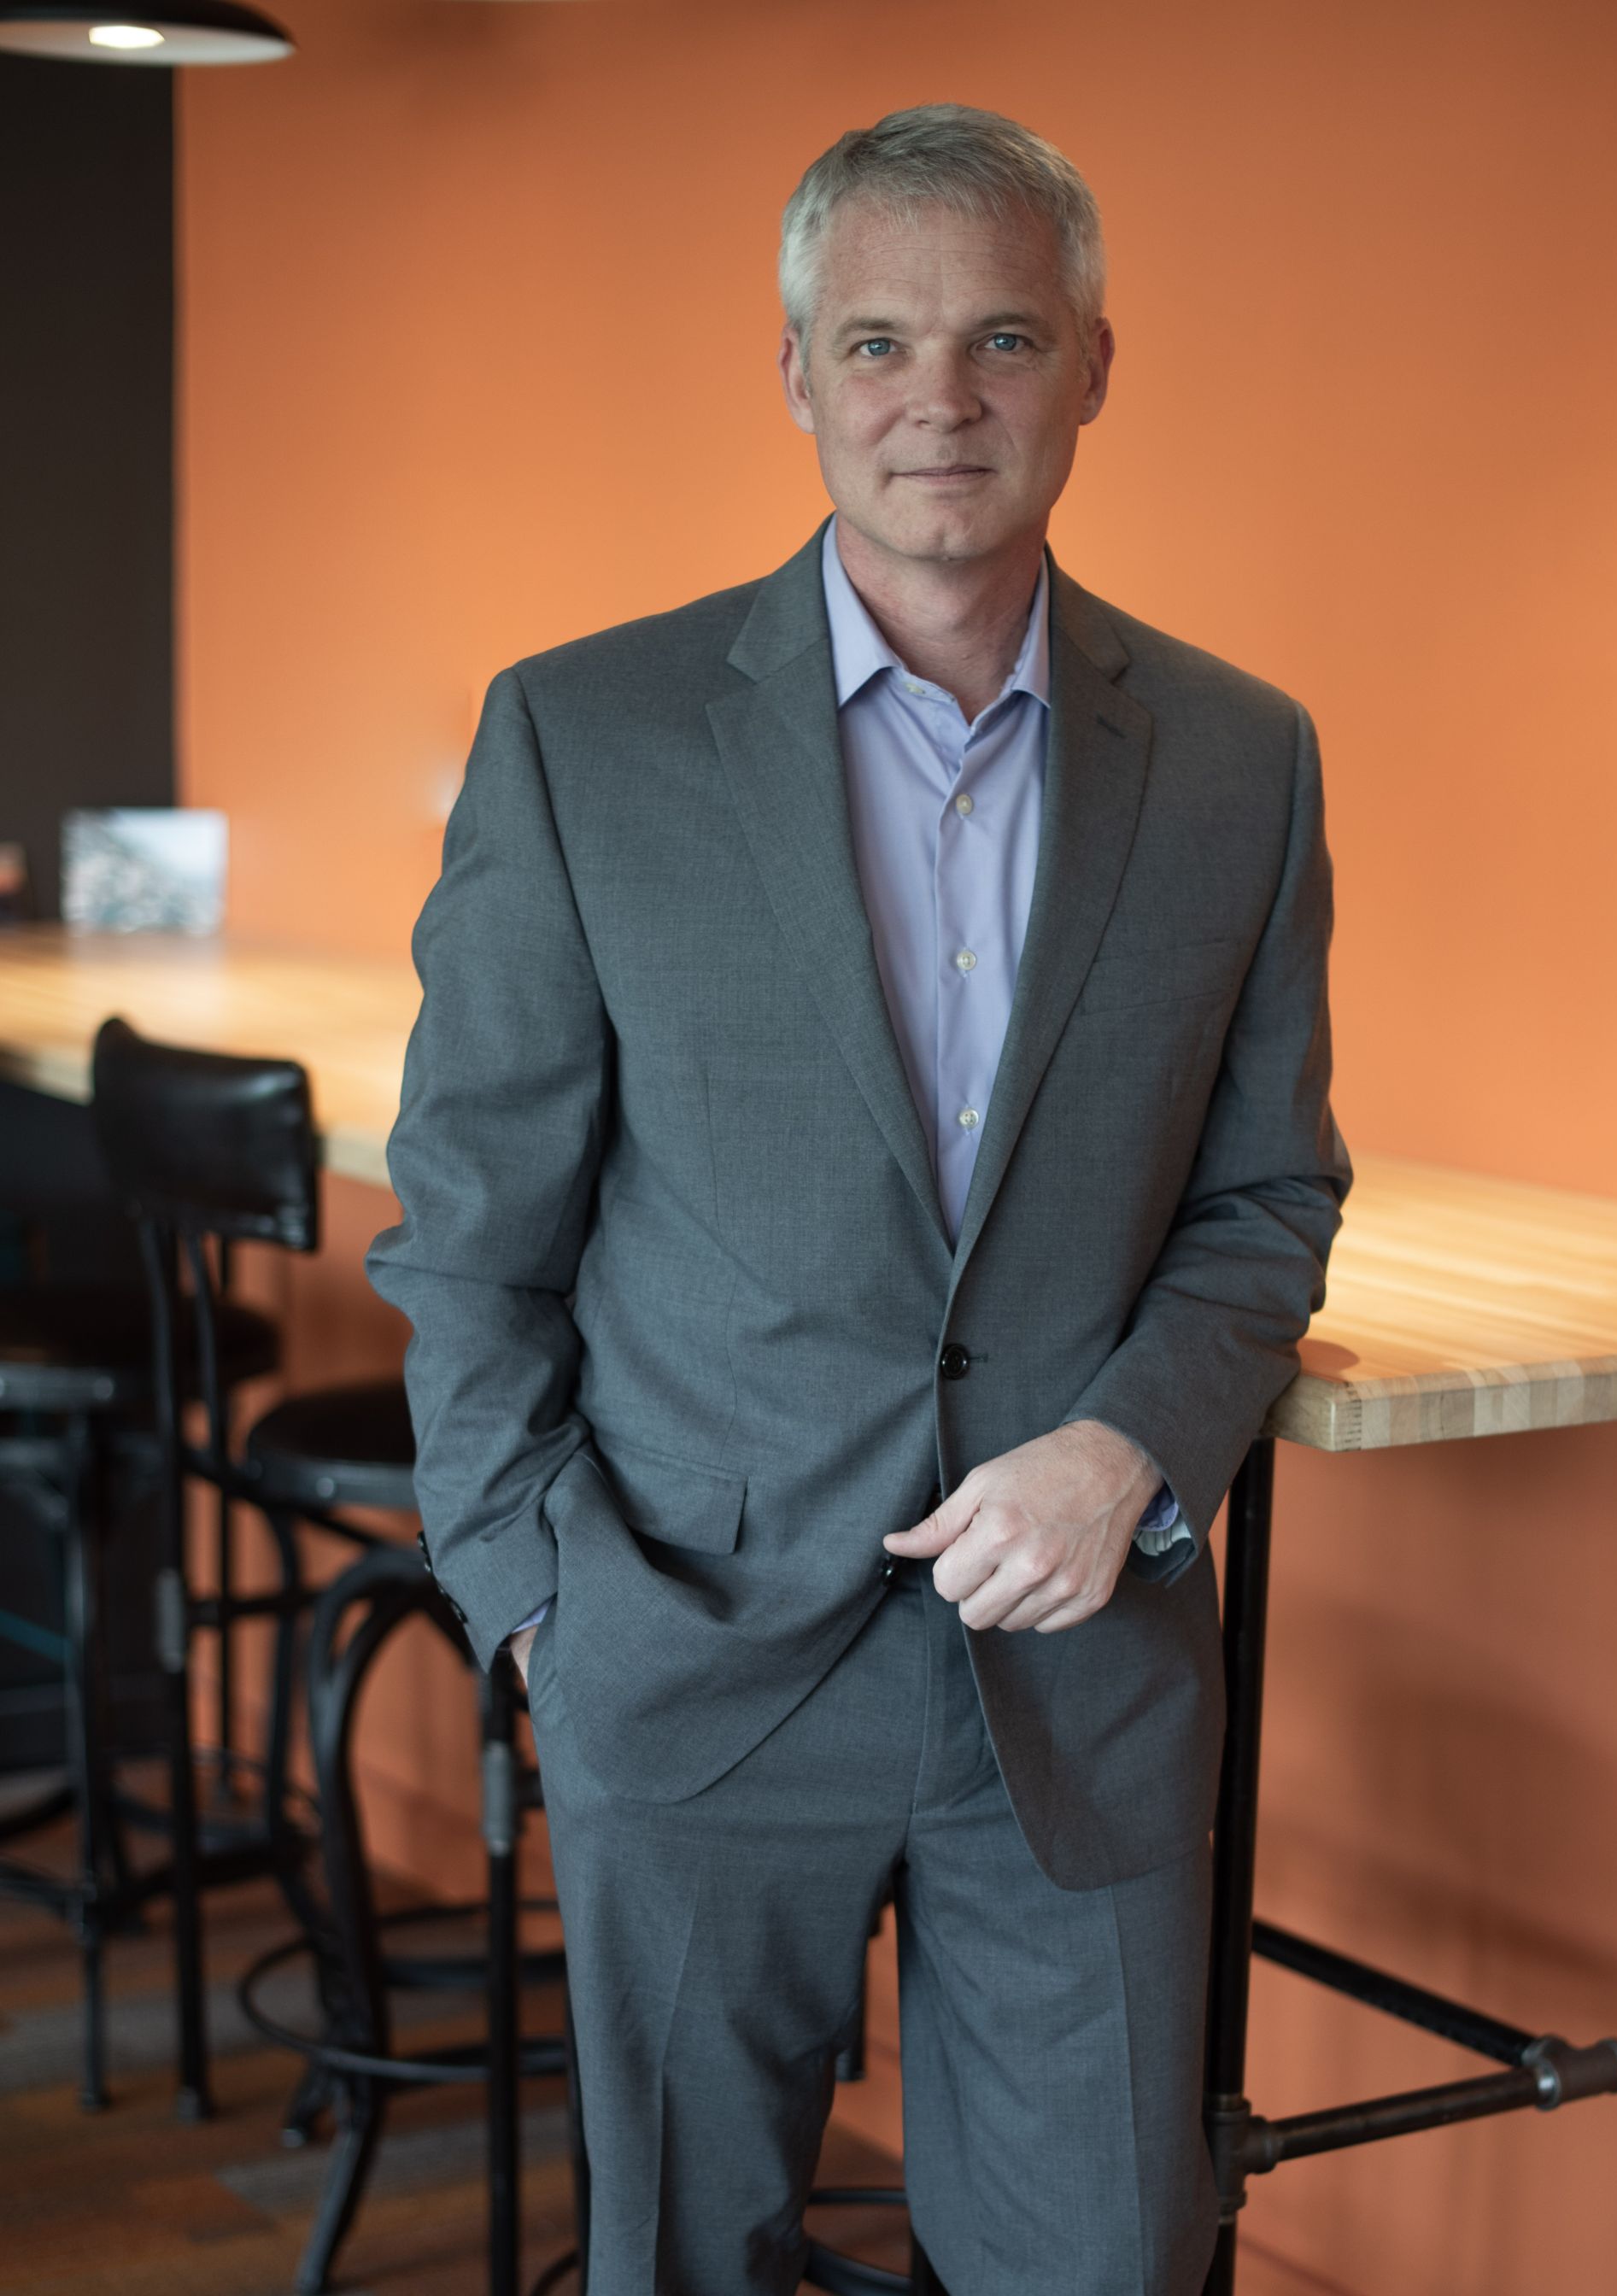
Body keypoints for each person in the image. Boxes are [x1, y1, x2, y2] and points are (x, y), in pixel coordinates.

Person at [366, 101, 1351, 2296]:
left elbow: (1268, 1192)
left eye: (1006, 338)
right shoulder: (581, 736)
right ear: (795, 370)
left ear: (1098, 364)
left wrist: (1134, 1446)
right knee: (691, 2257)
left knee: (1101, 2261)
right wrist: (538, 1597)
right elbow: (472, 1217)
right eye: (879, 340)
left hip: (1080, 1680)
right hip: (689, 1650)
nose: (941, 400)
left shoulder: (1242, 756)